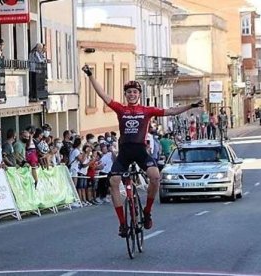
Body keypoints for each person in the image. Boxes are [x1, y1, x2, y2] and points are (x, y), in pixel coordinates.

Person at [82, 65, 203, 237]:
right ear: (126, 95)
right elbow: (103, 95)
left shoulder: (147, 111)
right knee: (114, 181)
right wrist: (90, 75)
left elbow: (171, 111)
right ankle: (123, 223)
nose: (132, 94)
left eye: (135, 92)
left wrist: (190, 105)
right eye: (129, 92)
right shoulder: (121, 109)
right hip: (124, 151)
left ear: (139, 95)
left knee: (155, 177)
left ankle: (147, 212)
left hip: (140, 151)